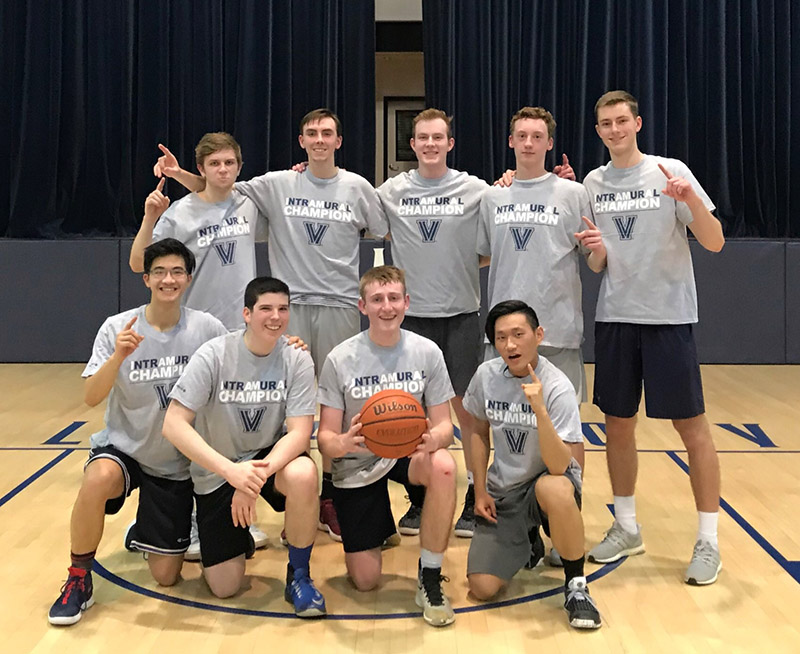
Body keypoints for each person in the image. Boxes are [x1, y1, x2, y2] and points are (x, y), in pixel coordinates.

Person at [154, 109, 389, 542]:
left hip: (339, 305)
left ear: (339, 140)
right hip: (289, 307)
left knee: (339, 407)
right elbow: (217, 186)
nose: (320, 140)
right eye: (312, 133)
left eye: (328, 133)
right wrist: (179, 174)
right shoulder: (276, 183)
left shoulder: (358, 187)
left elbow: (383, 231)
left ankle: (334, 498)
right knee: (281, 409)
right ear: (301, 141)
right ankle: (251, 494)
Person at [581, 90, 725, 585]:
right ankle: (626, 526)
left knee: (692, 429)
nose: (614, 129)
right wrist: (596, 251)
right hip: (616, 317)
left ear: (637, 123)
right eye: (605, 123)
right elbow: (597, 262)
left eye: (622, 120)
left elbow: (715, 241)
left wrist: (690, 204)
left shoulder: (671, 172)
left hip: (668, 318)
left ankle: (708, 540)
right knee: (618, 426)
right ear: (597, 130)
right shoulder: (592, 183)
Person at [48, 238, 228, 626]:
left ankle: (145, 530)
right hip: (126, 449)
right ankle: (78, 578)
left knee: (166, 577)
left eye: (177, 271)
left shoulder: (208, 328)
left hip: (177, 462)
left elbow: (236, 369)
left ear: (189, 278)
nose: (169, 279)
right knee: (98, 478)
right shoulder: (118, 327)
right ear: (146, 278)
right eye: (160, 272)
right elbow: (91, 397)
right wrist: (118, 357)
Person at [131, 133, 271, 554]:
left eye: (230, 163)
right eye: (214, 165)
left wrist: (179, 174)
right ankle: (191, 521)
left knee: (232, 428)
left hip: (240, 332)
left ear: (239, 166)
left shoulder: (249, 203)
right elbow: (140, 262)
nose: (223, 171)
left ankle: (232, 517)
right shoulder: (180, 213)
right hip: (195, 333)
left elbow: (219, 189)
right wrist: (149, 218)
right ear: (204, 167)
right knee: (195, 428)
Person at [479, 107, 605, 566]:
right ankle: (521, 524)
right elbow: (479, 254)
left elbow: (593, 260)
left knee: (566, 436)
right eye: (521, 136)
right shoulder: (493, 197)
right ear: (510, 141)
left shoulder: (574, 193)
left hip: (557, 329)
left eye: (537, 136)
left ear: (549, 143)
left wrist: (599, 254)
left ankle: (567, 526)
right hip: (505, 336)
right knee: (510, 429)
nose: (529, 143)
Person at [161, 276, 325, 615]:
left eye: (283, 309)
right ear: (246, 314)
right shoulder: (214, 354)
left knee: (304, 473)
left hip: (267, 460)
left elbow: (299, 432)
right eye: (266, 308)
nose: (275, 317)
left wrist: (253, 480)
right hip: (221, 466)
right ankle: (237, 540)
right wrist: (232, 473)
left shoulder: (296, 357)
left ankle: (299, 575)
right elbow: (173, 424)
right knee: (225, 587)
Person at [316, 265, 458, 627]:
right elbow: (326, 440)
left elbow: (445, 426)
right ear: (362, 306)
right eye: (377, 299)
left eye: (394, 298)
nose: (386, 307)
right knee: (365, 582)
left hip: (408, 455)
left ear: (406, 302)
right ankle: (380, 525)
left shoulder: (427, 352)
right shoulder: (340, 358)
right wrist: (344, 442)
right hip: (358, 462)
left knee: (443, 465)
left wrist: (433, 439)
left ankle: (429, 575)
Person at [464, 300, 601, 630]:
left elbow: (558, 466)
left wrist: (539, 410)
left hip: (547, 486)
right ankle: (527, 538)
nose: (510, 345)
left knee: (553, 487)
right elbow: (478, 433)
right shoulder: (486, 376)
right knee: (482, 587)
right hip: (505, 491)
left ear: (538, 335)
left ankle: (576, 586)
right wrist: (478, 488)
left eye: (518, 334)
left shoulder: (557, 387)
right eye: (500, 338)